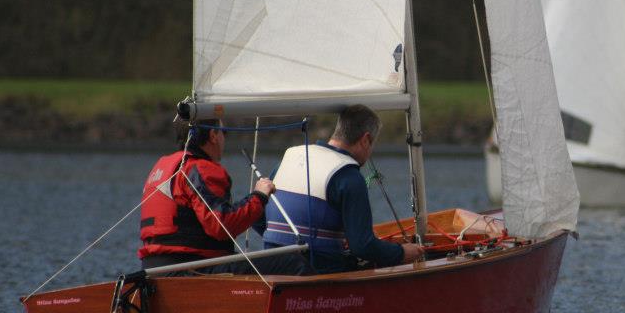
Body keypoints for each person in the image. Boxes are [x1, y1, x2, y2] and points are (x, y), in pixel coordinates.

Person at [262, 104, 425, 274]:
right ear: (365, 140)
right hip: (317, 273)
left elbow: (259, 217)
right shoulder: (349, 176)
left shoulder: (290, 157)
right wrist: (401, 252)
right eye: (372, 145)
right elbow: (362, 246)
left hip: (270, 267)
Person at [138, 119, 306, 275]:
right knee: (293, 263)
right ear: (213, 135)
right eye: (223, 132)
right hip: (190, 269)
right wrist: (260, 195)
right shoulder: (200, 169)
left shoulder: (162, 168)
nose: (224, 138)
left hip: (153, 270)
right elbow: (221, 224)